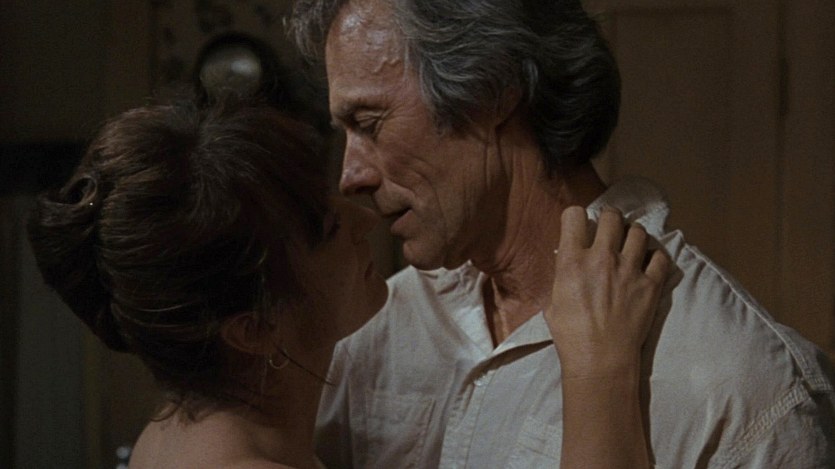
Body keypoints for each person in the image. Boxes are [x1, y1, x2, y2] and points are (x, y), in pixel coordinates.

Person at [289, 0, 835, 467]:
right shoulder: (379, 325)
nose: (350, 176)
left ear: (493, 90)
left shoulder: (741, 383)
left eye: (369, 124)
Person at [27, 96, 667, 468]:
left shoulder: (176, 436)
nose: (364, 219)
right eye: (326, 230)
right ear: (254, 328)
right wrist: (599, 370)